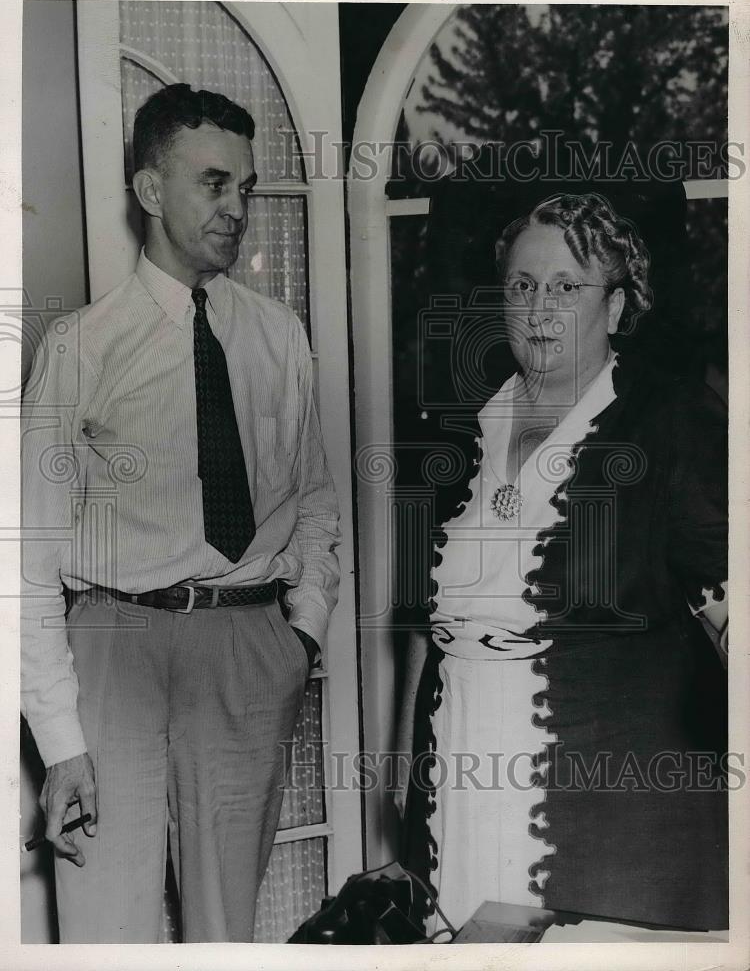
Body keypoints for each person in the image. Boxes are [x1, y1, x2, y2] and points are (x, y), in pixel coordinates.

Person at [20, 83, 341, 943]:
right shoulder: (80, 348)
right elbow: (25, 558)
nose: (237, 208)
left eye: (247, 188)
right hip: (114, 652)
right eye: (213, 183)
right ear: (151, 190)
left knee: (225, 931)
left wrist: (297, 634)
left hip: (245, 647)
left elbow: (315, 503)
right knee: (106, 933)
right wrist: (59, 739)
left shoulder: (281, 338)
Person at [400, 192, 728, 933]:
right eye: (522, 286)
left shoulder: (670, 422)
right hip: (459, 774)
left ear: (614, 308)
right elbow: (434, 632)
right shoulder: (464, 431)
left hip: (603, 806)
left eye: (566, 287)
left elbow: (727, 600)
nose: (540, 308)